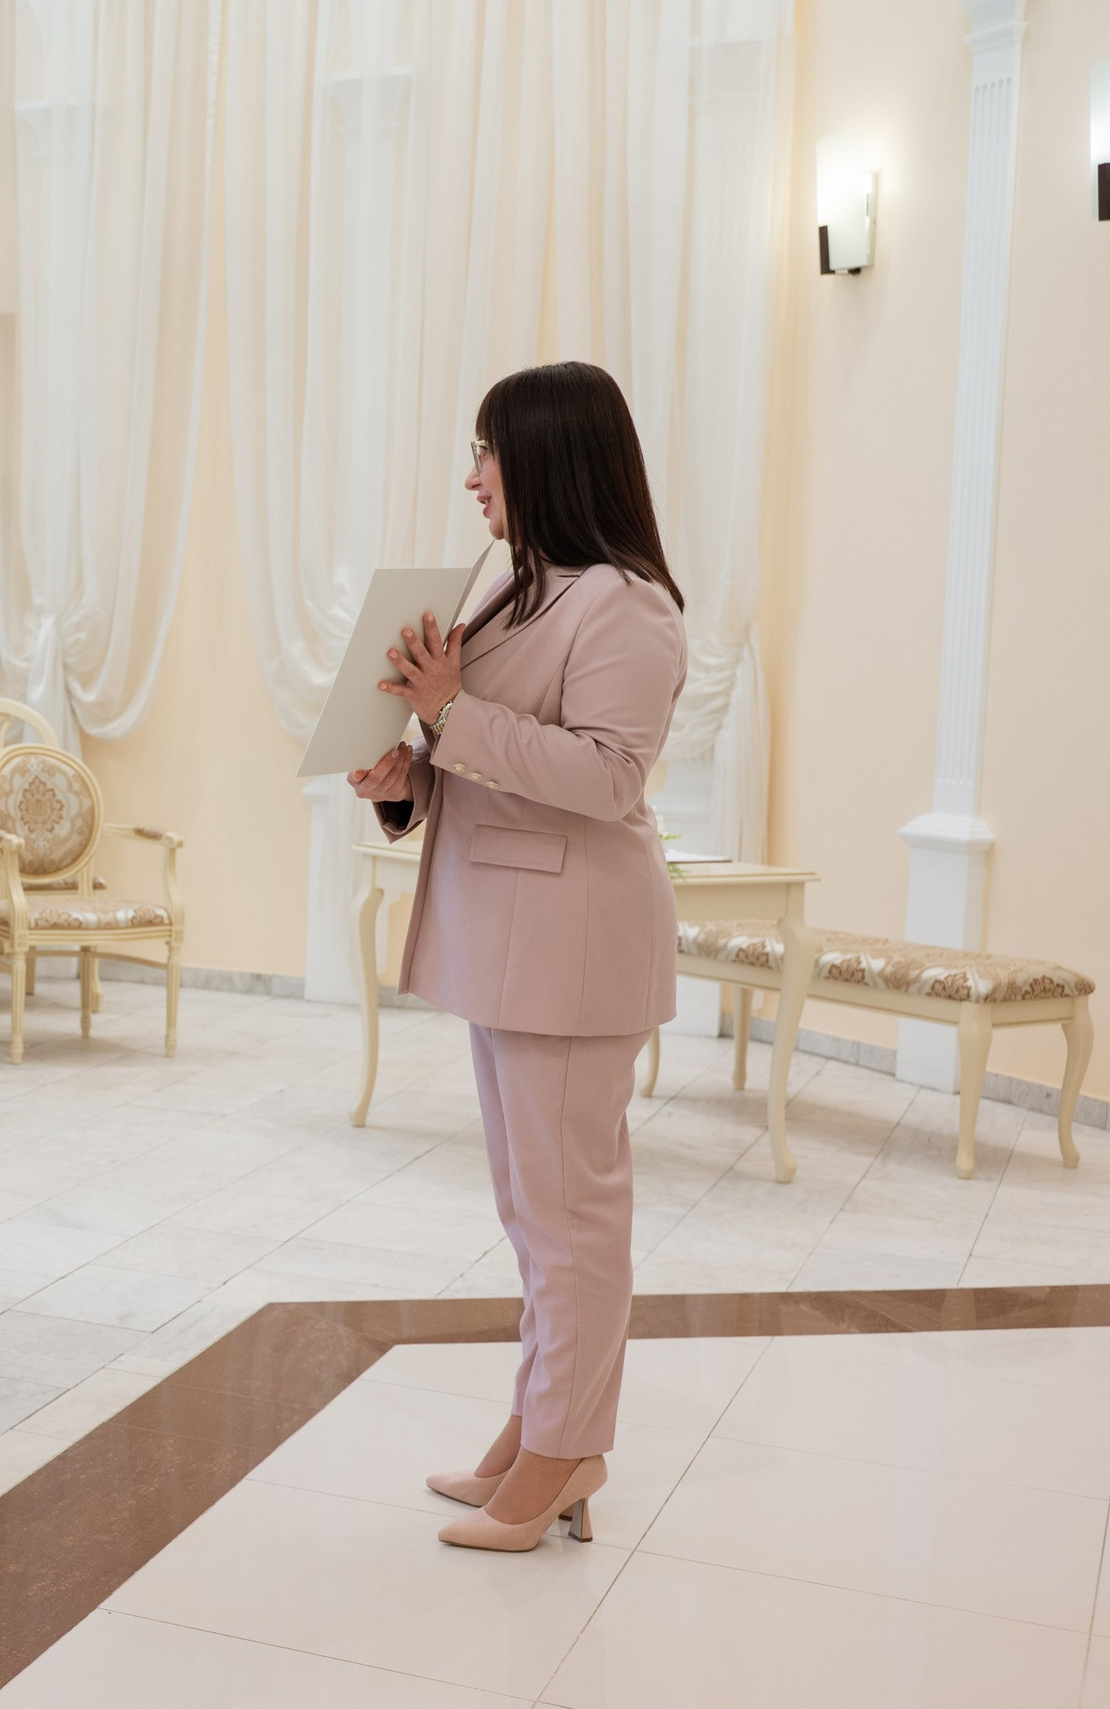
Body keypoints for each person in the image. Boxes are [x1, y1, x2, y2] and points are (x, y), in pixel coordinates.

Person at [348, 360, 687, 1553]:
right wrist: (405, 781)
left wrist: (448, 715)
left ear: (547, 455)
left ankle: (565, 1448)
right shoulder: (516, 590)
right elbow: (486, 758)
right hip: (513, 939)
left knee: (570, 1213)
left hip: (574, 947)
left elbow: (603, 777)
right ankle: (539, 1427)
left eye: (487, 451)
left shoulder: (626, 605)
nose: (472, 477)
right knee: (529, 1205)